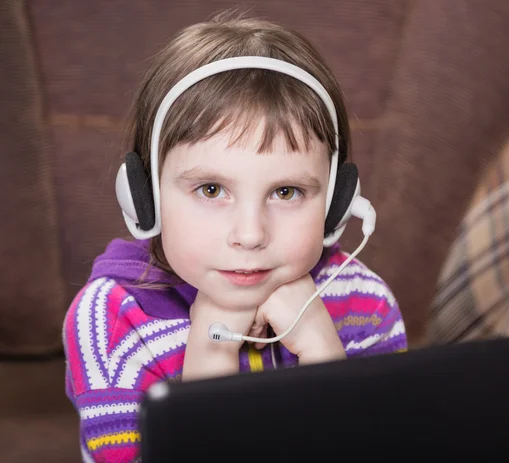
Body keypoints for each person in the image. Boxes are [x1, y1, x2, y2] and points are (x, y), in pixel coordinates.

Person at [62, 12, 407, 463]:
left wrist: (325, 361)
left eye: (286, 192)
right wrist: (209, 364)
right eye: (211, 189)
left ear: (336, 205)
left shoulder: (363, 302)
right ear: (144, 198)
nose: (250, 235)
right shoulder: (111, 322)